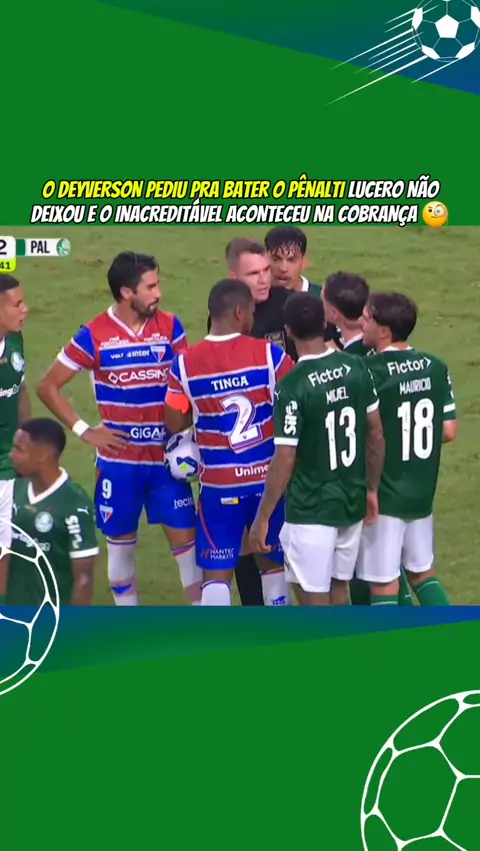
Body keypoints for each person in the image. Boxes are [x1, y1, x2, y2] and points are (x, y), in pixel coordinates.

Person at [36, 252, 202, 606]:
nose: (158, 293)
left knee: (188, 546)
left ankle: (204, 622)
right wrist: (85, 431)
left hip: (167, 461)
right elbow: (47, 386)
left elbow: (186, 386)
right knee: (121, 547)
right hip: (119, 464)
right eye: (150, 287)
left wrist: (189, 431)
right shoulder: (94, 334)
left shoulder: (171, 327)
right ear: (127, 292)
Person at [165, 279, 295, 606]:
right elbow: (296, 404)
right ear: (239, 312)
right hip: (266, 483)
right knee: (272, 565)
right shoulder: (270, 355)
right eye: (251, 311)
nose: (253, 317)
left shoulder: (184, 365)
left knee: (217, 574)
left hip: (219, 486)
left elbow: (174, 422)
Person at [249, 293, 385, 606]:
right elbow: (376, 433)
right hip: (350, 503)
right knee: (339, 589)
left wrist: (263, 517)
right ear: (324, 323)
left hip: (311, 510)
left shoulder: (291, 385)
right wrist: (371, 488)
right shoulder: (355, 367)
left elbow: (285, 457)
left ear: (288, 331)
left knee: (314, 600)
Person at [355, 292, 457, 605]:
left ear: (384, 330)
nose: (361, 323)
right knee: (422, 574)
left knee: (383, 584)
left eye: (366, 318)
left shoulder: (369, 372)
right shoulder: (435, 366)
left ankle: (391, 640)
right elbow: (449, 430)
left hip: (384, 494)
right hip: (421, 492)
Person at [322, 271, 413, 606]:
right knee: (375, 566)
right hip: (392, 471)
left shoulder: (351, 363)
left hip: (363, 475)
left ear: (333, 314)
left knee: (375, 568)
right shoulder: (376, 351)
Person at [2, 418, 99, 606]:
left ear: (43, 455)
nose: (12, 455)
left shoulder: (75, 506)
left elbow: (83, 580)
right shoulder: (14, 491)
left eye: (19, 450)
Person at [264, 226, 342, 346]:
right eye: (276, 259)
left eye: (291, 260)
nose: (283, 268)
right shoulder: (255, 300)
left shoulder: (323, 300)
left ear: (304, 261)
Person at [0, 275, 30, 550]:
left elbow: (20, 388)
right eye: (17, 304)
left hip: (10, 470)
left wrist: (28, 447)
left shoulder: (14, 340)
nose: (25, 309)